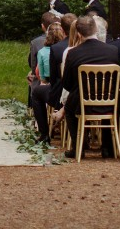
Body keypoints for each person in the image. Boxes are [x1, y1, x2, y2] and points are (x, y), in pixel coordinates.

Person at [59, 15, 120, 158]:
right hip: (109, 100)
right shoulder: (112, 50)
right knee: (110, 97)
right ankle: (107, 147)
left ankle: (78, 146)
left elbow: (67, 83)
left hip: (82, 101)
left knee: (68, 107)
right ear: (95, 29)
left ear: (79, 34)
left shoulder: (73, 53)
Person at [30, 13, 75, 144]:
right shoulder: (79, 46)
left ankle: (44, 134)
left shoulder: (56, 48)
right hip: (82, 93)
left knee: (37, 93)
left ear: (63, 29)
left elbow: (54, 78)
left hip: (61, 94)